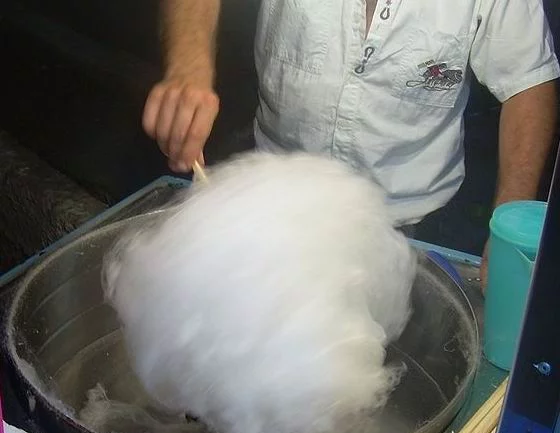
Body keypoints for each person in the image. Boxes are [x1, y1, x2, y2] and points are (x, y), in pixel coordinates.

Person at [142, 0, 560, 286]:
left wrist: (509, 227)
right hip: (273, 202)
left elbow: (529, 84)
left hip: (414, 224)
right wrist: (188, 65)